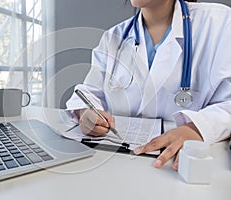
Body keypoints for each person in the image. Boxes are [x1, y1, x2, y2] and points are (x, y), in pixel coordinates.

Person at [66, 0, 231, 171]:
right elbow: (89, 92)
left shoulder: (219, 22)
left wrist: (196, 129)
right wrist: (85, 112)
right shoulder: (114, 37)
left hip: (180, 164)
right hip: (116, 164)